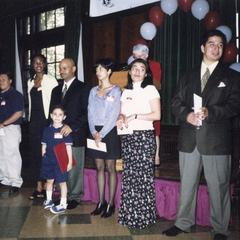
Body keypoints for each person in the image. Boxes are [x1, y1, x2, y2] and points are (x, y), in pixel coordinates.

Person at [162, 30, 240, 240]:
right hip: (189, 139)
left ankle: (220, 229)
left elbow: (234, 105)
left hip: (216, 140)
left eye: (220, 45)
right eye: (212, 44)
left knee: (219, 186)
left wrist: (211, 112)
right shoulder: (187, 75)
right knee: (187, 185)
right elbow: (175, 103)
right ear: (202, 48)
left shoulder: (232, 76)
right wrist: (186, 115)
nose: (216, 48)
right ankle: (183, 222)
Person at [117, 58, 161, 229]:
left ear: (146, 73)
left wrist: (135, 116)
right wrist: (121, 119)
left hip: (143, 138)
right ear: (129, 71)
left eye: (141, 69)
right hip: (128, 137)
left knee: (142, 179)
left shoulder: (150, 89)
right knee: (129, 177)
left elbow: (157, 115)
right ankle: (129, 216)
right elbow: (122, 114)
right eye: (134, 68)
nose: (137, 71)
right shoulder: (125, 91)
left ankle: (143, 218)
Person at [50, 58, 89, 209]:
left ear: (73, 69)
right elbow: (51, 114)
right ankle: (62, 194)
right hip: (57, 136)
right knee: (60, 166)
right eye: (60, 68)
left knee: (74, 168)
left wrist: (72, 127)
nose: (61, 70)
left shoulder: (83, 88)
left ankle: (74, 196)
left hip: (75, 134)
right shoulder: (56, 90)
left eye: (65, 68)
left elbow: (87, 113)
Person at [88, 59, 121, 218]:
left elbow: (114, 114)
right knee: (99, 168)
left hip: (109, 132)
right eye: (97, 69)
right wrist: (94, 131)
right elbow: (90, 112)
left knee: (110, 168)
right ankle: (100, 202)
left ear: (109, 71)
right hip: (95, 132)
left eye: (101, 69)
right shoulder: (93, 90)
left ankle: (111, 203)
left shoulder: (115, 90)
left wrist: (102, 133)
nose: (98, 71)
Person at [27, 54, 58, 200]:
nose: (38, 64)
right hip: (33, 122)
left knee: (47, 154)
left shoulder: (51, 80)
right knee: (35, 155)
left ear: (44, 64)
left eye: (41, 62)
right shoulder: (29, 82)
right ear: (32, 65)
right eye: (35, 62)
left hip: (46, 122)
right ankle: (38, 186)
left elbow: (57, 101)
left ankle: (48, 186)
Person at [131, 43, 161, 167]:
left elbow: (157, 85)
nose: (138, 58)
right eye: (135, 56)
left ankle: (156, 156)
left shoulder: (155, 65)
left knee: (156, 130)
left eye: (141, 56)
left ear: (147, 55)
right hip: (136, 102)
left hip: (151, 102)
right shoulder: (132, 66)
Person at [41, 105, 73, 214]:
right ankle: (49, 200)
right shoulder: (46, 130)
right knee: (49, 181)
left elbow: (68, 147)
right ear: (51, 115)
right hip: (49, 160)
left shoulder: (65, 131)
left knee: (62, 182)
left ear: (64, 117)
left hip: (61, 161)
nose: (57, 117)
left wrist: (68, 162)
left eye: (60, 115)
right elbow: (44, 145)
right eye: (55, 114)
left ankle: (63, 203)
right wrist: (43, 156)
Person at [0, 70, 24, 194]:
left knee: (12, 155)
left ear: (10, 81)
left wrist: (4, 123)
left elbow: (18, 113)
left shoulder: (15, 95)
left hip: (11, 128)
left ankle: (15, 182)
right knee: (2, 155)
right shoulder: (1, 95)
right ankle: (4, 179)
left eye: (3, 79)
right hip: (1, 129)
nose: (1, 82)